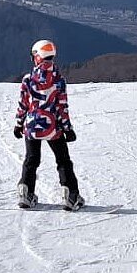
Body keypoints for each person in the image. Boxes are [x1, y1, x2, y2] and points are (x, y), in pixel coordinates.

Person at [13, 39, 84, 211]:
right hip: (53, 128)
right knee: (63, 161)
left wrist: (18, 123)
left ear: (37, 57)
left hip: (31, 127)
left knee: (31, 160)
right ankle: (70, 195)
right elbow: (62, 107)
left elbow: (23, 104)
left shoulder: (28, 79)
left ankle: (26, 193)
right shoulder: (58, 80)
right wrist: (68, 128)